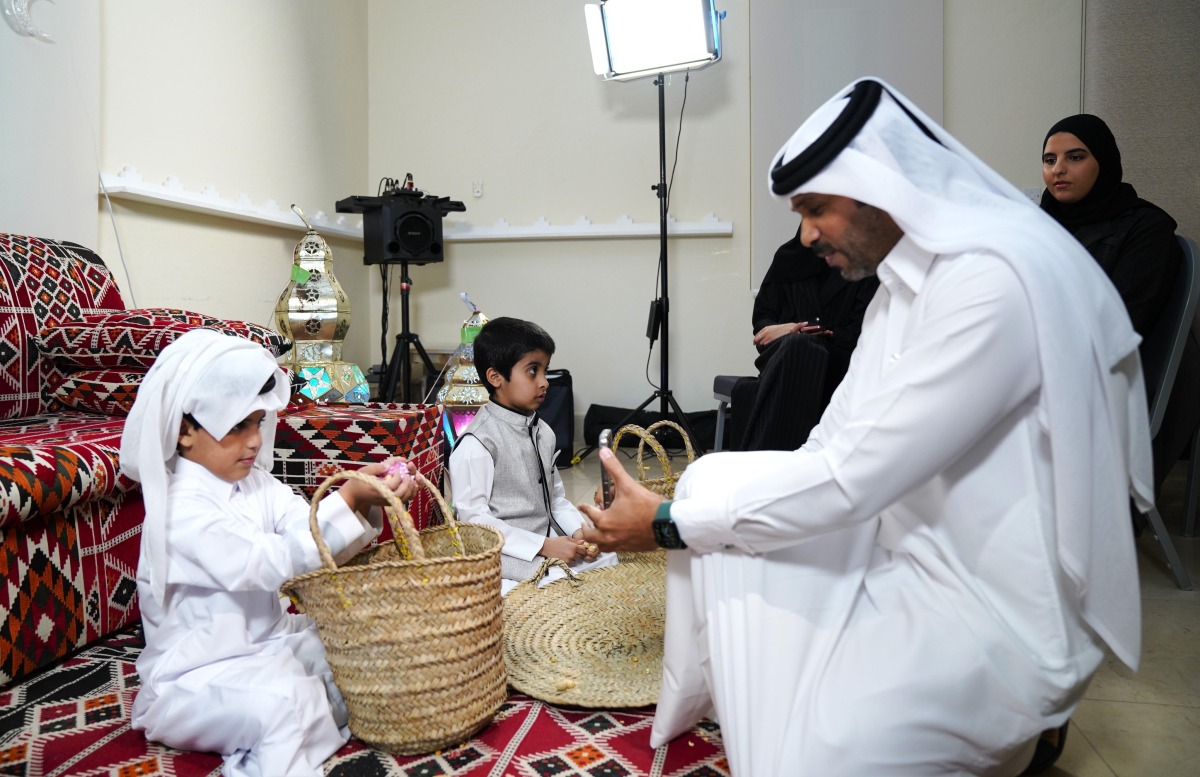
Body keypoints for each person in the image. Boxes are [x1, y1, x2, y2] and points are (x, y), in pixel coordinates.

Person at [580, 78, 1151, 776]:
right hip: (899, 539)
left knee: (815, 755)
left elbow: (850, 481)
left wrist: (667, 522)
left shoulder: (989, 283)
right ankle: (711, 699)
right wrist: (689, 509)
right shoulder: (898, 290)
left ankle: (1024, 730)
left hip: (990, 611)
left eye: (818, 208)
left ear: (884, 186)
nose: (807, 233)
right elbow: (829, 446)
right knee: (709, 477)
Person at [120, 329, 418, 777]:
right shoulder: (178, 508)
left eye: (258, 422)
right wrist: (348, 500)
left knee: (367, 646)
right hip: (197, 675)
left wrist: (364, 497)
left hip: (271, 643)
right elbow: (267, 563)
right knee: (286, 704)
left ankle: (317, 713)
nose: (255, 440)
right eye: (238, 426)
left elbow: (307, 532)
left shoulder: (255, 483)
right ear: (185, 432)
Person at [1041, 113, 1199, 491]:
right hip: (1049, 362)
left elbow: (1120, 323)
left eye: (1075, 157)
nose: (1059, 169)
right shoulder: (1040, 221)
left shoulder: (1146, 228)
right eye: (1050, 160)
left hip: (1104, 378)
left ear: (1104, 162)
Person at [449, 317, 615, 593]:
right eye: (532, 371)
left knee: (608, 557)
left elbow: (556, 500)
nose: (544, 382)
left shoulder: (544, 432)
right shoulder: (477, 443)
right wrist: (544, 547)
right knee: (551, 586)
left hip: (547, 538)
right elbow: (474, 522)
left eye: (545, 371)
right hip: (504, 551)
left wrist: (579, 534)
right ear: (495, 377)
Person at [731, 226, 877, 450]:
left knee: (801, 346)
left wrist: (802, 331)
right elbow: (763, 323)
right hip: (781, 357)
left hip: (838, 363)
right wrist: (788, 332)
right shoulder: (786, 259)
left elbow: (861, 332)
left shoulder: (860, 266)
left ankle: (765, 458)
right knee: (796, 347)